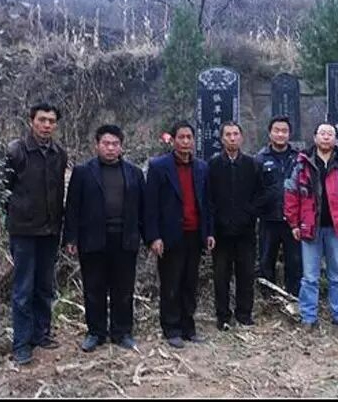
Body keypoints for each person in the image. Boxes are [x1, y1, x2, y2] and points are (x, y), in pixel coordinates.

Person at [64, 125, 145, 352]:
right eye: (106, 143)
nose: (110, 148)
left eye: (115, 144)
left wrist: (148, 236)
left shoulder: (134, 173)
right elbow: (72, 207)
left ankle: (122, 332)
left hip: (125, 239)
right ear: (97, 145)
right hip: (93, 239)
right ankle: (95, 332)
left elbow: (143, 208)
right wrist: (71, 238)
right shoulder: (83, 172)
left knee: (124, 288)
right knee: (94, 288)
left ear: (121, 146)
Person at [284, 122, 338, 333]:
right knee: (310, 277)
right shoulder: (302, 163)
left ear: (335, 139)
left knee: (337, 275)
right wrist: (294, 223)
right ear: (315, 137)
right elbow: (291, 194)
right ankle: (308, 317)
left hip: (336, 229)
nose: (326, 137)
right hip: (310, 227)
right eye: (322, 133)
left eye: (330, 134)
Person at [4, 103, 68, 365]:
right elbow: (3, 192)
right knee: (23, 289)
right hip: (24, 232)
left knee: (44, 287)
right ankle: (21, 343)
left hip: (50, 231)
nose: (47, 125)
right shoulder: (16, 151)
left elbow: (58, 191)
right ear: (32, 121)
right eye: (42, 120)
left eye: (51, 121)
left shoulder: (59, 153)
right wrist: (17, 216)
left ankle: (41, 333)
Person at [145, 121, 214, 349]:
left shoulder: (202, 167)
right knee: (171, 283)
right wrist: (154, 236)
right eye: (181, 137)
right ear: (173, 140)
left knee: (190, 283)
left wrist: (209, 232)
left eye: (189, 137)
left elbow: (207, 203)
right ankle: (171, 328)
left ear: (194, 140)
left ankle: (188, 327)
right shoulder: (159, 167)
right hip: (170, 235)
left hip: (194, 234)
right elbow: (150, 205)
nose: (185, 141)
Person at [208, 121, 264, 330]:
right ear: (221, 138)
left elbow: (262, 194)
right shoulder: (213, 165)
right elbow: (208, 199)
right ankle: (223, 316)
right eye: (228, 135)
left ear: (241, 137)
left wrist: (250, 212)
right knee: (221, 276)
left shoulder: (252, 164)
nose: (232, 138)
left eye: (235, 134)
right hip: (221, 232)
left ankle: (244, 314)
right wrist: (213, 225)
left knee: (246, 274)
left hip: (245, 231)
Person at [255, 116, 302, 297]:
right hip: (269, 219)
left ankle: (293, 298)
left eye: (284, 131)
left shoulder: (298, 158)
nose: (280, 134)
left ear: (290, 134)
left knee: (295, 262)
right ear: (270, 133)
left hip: (293, 221)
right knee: (266, 260)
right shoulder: (260, 159)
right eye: (277, 130)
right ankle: (268, 300)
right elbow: (254, 190)